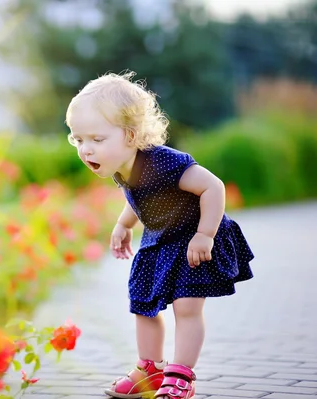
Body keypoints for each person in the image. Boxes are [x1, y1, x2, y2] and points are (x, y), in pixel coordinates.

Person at [65, 72, 254, 399]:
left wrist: (205, 235)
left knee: (186, 306)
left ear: (129, 135)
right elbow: (141, 196)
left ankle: (181, 375)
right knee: (143, 304)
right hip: (159, 240)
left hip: (193, 240)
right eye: (78, 139)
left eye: (96, 139)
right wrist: (124, 224)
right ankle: (150, 370)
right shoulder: (122, 166)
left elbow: (213, 186)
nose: (86, 150)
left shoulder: (163, 162)